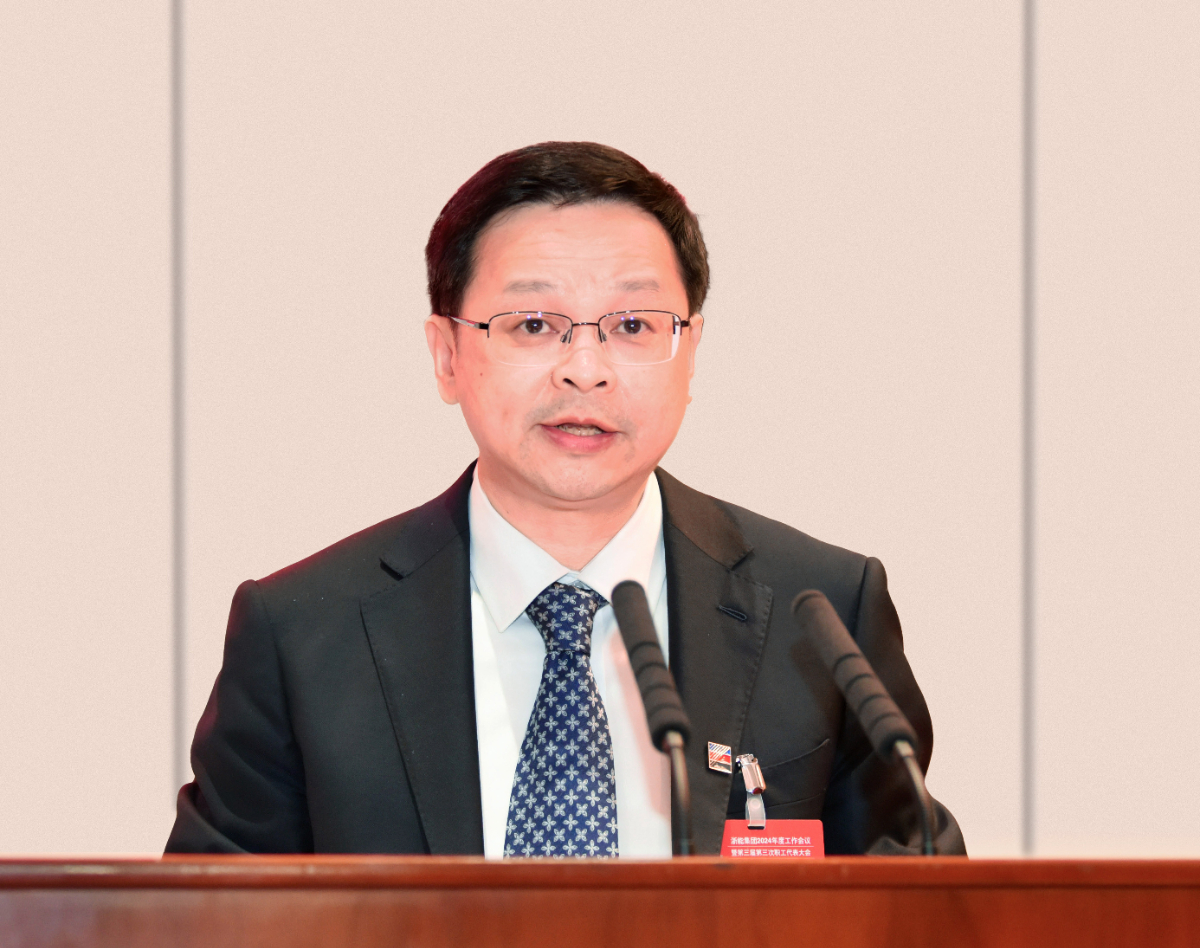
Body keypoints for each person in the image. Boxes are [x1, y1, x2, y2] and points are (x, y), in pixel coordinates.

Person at [166, 142, 965, 857]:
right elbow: (208, 927)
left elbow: (923, 910)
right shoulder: (303, 634)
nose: (585, 368)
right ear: (447, 356)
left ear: (690, 353)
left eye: (633, 325)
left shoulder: (819, 610)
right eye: (534, 323)